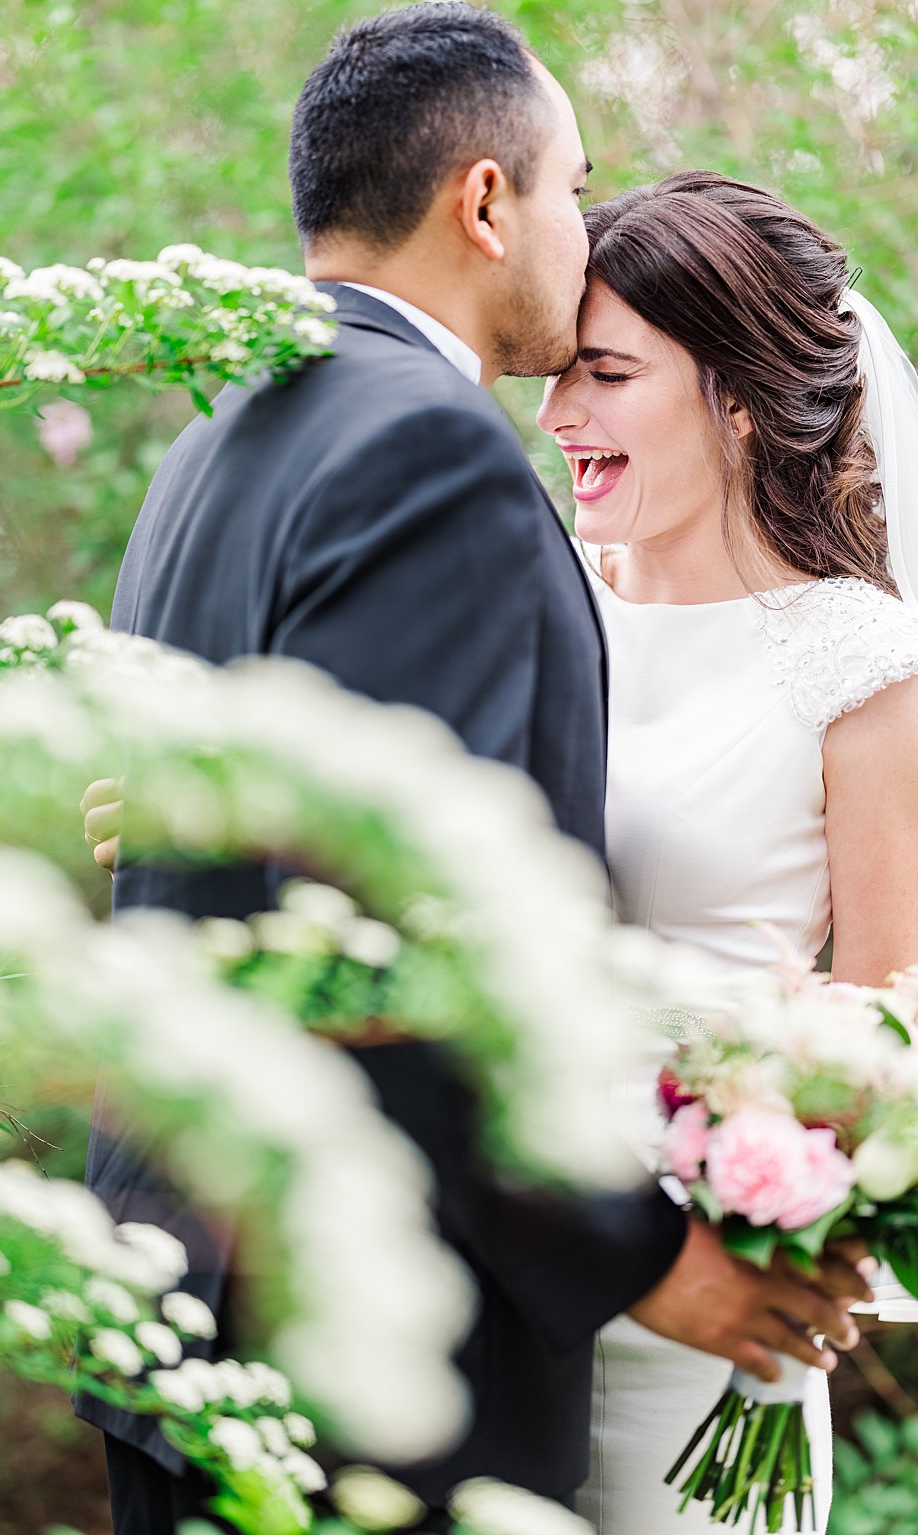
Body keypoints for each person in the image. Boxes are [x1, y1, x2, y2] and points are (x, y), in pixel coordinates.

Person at [72, 7, 869, 1527]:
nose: (580, 236)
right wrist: (637, 1262)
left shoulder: (218, 431)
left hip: (180, 1302)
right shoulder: (429, 454)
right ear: (487, 201)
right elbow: (410, 949)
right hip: (366, 1345)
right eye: (574, 189)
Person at [538, 171, 918, 1532]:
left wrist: (791, 1196)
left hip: (716, 1294)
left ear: (737, 396)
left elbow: (888, 1012)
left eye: (604, 375)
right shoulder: (538, 597)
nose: (556, 415)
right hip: (510, 1264)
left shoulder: (855, 661)